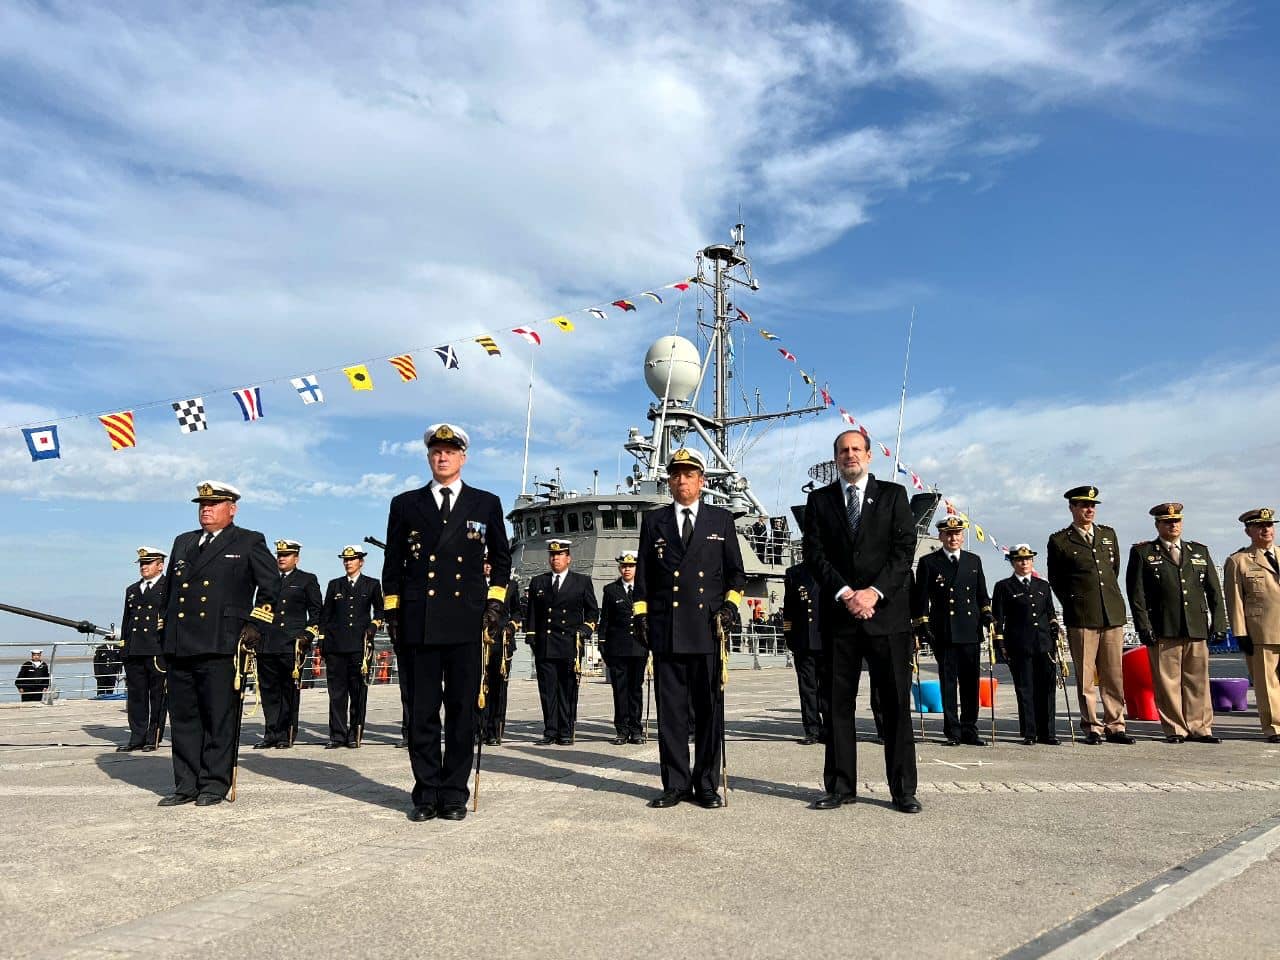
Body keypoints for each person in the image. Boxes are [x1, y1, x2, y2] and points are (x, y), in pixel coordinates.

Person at [381, 423, 511, 823]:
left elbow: (502, 560)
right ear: (429, 457)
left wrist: (494, 604)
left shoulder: (484, 503)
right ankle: (425, 793)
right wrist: (392, 611)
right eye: (436, 451)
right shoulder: (405, 504)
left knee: (461, 712)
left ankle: (454, 792)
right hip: (420, 621)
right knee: (421, 713)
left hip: (465, 622)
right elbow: (393, 564)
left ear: (462, 457)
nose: (443, 457)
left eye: (450, 451)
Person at [802, 429, 920, 814]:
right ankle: (840, 786)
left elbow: (904, 552)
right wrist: (847, 594)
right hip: (841, 618)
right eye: (843, 450)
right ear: (835, 457)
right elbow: (815, 555)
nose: (849, 455)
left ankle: (903, 790)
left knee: (896, 705)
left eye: (856, 449)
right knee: (837, 705)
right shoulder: (819, 501)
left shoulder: (893, 496)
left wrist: (873, 593)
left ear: (869, 456)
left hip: (887, 616)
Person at [633, 447, 745, 809]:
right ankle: (675, 784)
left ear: (702, 481)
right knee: (672, 713)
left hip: (707, 630)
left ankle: (707, 784)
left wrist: (730, 606)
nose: (682, 480)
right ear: (669, 481)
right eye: (676, 474)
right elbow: (645, 578)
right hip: (668, 630)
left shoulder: (720, 520)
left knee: (710, 712)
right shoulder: (655, 522)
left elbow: (736, 574)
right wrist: (640, 615)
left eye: (689, 474)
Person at [159, 481, 278, 807]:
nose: (206, 509)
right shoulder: (183, 542)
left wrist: (256, 625)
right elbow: (168, 594)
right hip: (181, 643)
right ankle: (186, 784)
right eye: (202, 505)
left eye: (214, 504)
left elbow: (270, 589)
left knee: (218, 718)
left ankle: (213, 784)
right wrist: (163, 634)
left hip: (221, 642)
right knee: (183, 719)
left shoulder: (249, 541)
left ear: (232, 508)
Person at [1126, 503, 1224, 744]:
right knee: (1167, 681)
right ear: (1157, 525)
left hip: (1196, 626)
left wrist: (1219, 623)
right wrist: (1143, 626)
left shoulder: (1199, 551)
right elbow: (1136, 595)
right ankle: (1175, 729)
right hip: (1163, 626)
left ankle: (1200, 727)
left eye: (1177, 520)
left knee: (1197, 680)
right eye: (1167, 521)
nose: (1173, 525)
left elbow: (1214, 592)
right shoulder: (1143, 552)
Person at [1046, 485, 1135, 746]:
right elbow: (1056, 579)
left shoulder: (1108, 535)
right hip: (1082, 615)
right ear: (1072, 507)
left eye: (1093, 505)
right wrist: (1076, 602)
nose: (1089, 510)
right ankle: (1092, 726)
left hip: (1111, 612)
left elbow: (1113, 570)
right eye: (1083, 505)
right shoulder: (1060, 540)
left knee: (1113, 673)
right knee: (1086, 676)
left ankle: (1115, 724)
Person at [911, 516, 993, 746]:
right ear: (941, 536)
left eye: (957, 533)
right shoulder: (929, 562)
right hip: (944, 632)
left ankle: (970, 729)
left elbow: (981, 593)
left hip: (970, 630)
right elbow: (921, 598)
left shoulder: (973, 561)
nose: (953, 538)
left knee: (970, 683)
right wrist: (923, 624)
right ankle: (953, 730)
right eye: (948, 534)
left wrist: (986, 613)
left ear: (962, 536)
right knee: (948, 683)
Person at [525, 540, 598, 745]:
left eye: (560, 555)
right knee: (547, 691)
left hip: (569, 645)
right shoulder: (538, 582)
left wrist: (586, 629)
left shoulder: (582, 582)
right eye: (552, 555)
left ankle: (566, 731)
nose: (555, 558)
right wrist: (531, 636)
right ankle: (550, 731)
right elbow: (531, 612)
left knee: (567, 690)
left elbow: (592, 611)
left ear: (568, 558)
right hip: (545, 645)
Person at [254, 540, 322, 749]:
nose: (281, 558)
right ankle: (271, 733)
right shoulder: (268, 581)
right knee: (268, 691)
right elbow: (260, 610)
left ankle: (286, 733)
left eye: (286, 555)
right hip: (267, 643)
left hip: (292, 644)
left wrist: (307, 636)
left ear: (296, 558)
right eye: (279, 555)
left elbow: (317, 612)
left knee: (288, 691)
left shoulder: (306, 580)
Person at [992, 544, 1060, 745]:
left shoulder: (1043, 586)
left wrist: (1055, 627)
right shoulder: (1004, 587)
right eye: (1020, 560)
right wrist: (1000, 645)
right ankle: (1030, 732)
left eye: (1028, 559)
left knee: (1047, 689)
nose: (1024, 563)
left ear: (1032, 561)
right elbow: (998, 619)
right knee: (1025, 689)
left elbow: (1050, 613)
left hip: (1044, 644)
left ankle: (1048, 732)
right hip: (1019, 645)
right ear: (1013, 562)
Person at [1224, 508, 1280, 741]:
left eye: (1269, 525)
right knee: (1267, 685)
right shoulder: (1239, 561)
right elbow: (1234, 599)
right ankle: (1274, 727)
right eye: (1259, 526)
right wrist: (1240, 633)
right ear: (1248, 531)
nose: (1266, 529)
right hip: (1261, 631)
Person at [320, 546, 384, 749]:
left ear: (361, 562)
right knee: (337, 694)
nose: (348, 563)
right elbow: (325, 615)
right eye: (345, 560)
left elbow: (380, 611)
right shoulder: (334, 585)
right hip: (336, 646)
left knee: (358, 692)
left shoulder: (372, 585)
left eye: (352, 559)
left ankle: (355, 733)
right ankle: (337, 736)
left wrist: (374, 626)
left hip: (359, 646)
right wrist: (323, 640)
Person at [116, 547, 169, 751]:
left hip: (156, 649)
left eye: (148, 563)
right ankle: (136, 737)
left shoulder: (168, 588)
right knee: (136, 697)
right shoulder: (132, 590)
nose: (144, 567)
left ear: (160, 565)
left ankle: (152, 737)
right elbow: (127, 621)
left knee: (157, 697)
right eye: (141, 564)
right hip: (135, 650)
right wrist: (124, 648)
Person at [599, 551, 645, 745]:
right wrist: (603, 645)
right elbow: (606, 622)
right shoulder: (611, 590)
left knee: (636, 690)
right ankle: (622, 730)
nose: (627, 569)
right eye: (624, 566)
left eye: (631, 566)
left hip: (639, 648)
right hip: (618, 649)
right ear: (619, 568)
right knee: (620, 690)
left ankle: (636, 729)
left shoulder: (644, 590)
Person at [783, 561, 827, 745]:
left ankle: (830, 730)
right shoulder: (794, 573)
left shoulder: (831, 569)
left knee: (827, 689)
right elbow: (789, 608)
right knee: (807, 688)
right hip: (803, 641)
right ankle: (812, 730)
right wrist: (790, 637)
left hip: (827, 640)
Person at [480, 561, 521, 745]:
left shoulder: (510, 586)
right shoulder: (474, 582)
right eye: (485, 563)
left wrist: (511, 627)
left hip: (501, 645)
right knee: (478, 687)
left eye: (491, 563)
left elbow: (517, 613)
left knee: (498, 689)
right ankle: (478, 729)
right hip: (478, 644)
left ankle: (495, 731)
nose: (488, 566)